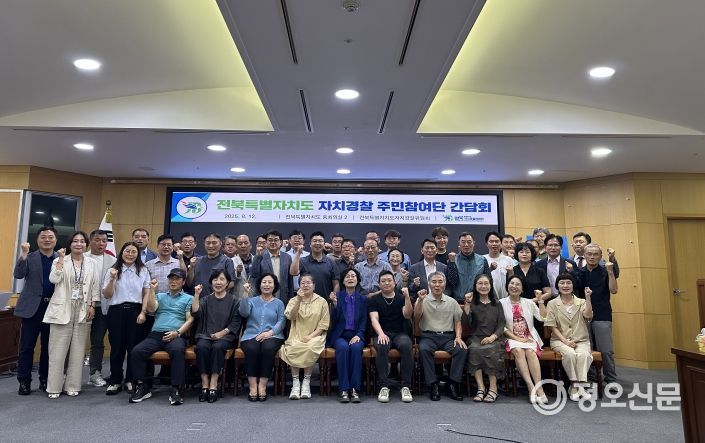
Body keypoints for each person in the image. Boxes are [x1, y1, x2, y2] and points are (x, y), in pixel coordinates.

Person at [43, 231, 101, 398]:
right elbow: (54, 279)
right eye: (75, 241)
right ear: (70, 244)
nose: (79, 244)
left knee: (78, 351)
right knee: (57, 352)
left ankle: (72, 385)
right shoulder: (60, 260)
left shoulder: (91, 263)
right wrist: (61, 259)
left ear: (86, 245)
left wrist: (93, 305)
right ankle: (54, 387)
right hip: (62, 308)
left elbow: (95, 285)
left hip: (83, 308)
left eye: (82, 241)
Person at [128, 268, 193, 405]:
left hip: (175, 334)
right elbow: (151, 309)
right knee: (137, 351)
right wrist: (152, 290)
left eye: (177, 279)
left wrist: (178, 333)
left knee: (177, 351)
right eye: (171, 279)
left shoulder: (189, 298)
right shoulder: (160, 296)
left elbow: (190, 320)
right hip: (156, 334)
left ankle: (175, 389)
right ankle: (143, 386)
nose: (173, 281)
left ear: (183, 282)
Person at [13, 226, 58, 395]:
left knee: (48, 347)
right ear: (37, 240)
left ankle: (45, 379)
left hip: (53, 309)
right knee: (27, 347)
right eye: (43, 237)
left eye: (50, 237)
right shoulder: (30, 257)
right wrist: (23, 254)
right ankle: (24, 381)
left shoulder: (61, 259)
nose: (47, 240)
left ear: (55, 240)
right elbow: (18, 274)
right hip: (33, 309)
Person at [102, 241, 151, 395]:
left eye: (133, 252)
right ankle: (115, 380)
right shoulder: (112, 270)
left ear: (138, 254)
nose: (130, 254)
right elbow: (107, 295)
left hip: (136, 311)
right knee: (117, 347)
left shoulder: (143, 270)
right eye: (127, 251)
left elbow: (146, 293)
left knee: (133, 347)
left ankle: (131, 379)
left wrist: (143, 312)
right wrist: (112, 279)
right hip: (116, 311)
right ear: (121, 253)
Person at [414, 272, 467, 401]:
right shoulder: (422, 299)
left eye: (440, 282)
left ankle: (452, 383)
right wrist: (420, 300)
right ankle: (433, 384)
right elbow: (416, 316)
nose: (437, 285)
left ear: (445, 284)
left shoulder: (452, 301)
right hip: (428, 336)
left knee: (461, 349)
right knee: (424, 349)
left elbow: (458, 322)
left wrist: (458, 337)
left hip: (448, 337)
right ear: (429, 284)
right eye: (434, 282)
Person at [192, 270, 242, 403]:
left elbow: (236, 322)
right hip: (205, 335)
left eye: (221, 279)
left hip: (226, 336)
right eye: (215, 280)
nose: (218, 282)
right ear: (211, 283)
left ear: (227, 283)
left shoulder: (234, 300)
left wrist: (222, 333)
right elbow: (196, 313)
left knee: (218, 347)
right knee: (202, 347)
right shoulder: (205, 299)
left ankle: (213, 382)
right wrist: (196, 295)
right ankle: (205, 383)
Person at [545, 273, 594, 401]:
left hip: (581, 340)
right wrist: (565, 341)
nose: (565, 285)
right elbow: (552, 326)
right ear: (557, 286)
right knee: (570, 354)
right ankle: (575, 385)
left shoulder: (581, 302)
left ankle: (577, 387)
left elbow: (588, 316)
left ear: (573, 285)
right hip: (559, 340)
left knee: (584, 355)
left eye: (568, 283)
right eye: (562, 283)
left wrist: (588, 298)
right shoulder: (552, 303)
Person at [280, 274, 330, 400]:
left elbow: (324, 324)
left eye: (308, 283)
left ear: (314, 286)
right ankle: (296, 383)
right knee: (293, 348)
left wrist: (311, 336)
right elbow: (290, 316)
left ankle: (306, 382)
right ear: (299, 286)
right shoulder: (293, 300)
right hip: (296, 334)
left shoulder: (322, 301)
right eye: (303, 283)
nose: (305, 285)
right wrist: (298, 300)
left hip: (316, 335)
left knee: (310, 347)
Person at [500, 275, 547, 404]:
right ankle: (530, 386)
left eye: (518, 284)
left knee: (531, 353)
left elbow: (543, 318)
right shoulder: (501, 303)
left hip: (529, 337)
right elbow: (501, 326)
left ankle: (539, 388)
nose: (514, 286)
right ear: (507, 286)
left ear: (522, 288)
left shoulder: (529, 302)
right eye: (512, 283)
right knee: (518, 351)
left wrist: (540, 301)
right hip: (511, 337)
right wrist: (516, 338)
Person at [575, 243, 619, 384]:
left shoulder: (606, 270)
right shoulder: (579, 272)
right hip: (582, 314)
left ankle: (611, 378)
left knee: (605, 350)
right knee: (587, 348)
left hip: (602, 313)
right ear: (584, 255)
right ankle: (592, 377)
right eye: (589, 254)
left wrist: (610, 272)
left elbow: (614, 290)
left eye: (595, 254)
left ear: (600, 256)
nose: (592, 257)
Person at [368, 270, 414, 403]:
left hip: (400, 333)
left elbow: (407, 315)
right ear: (379, 284)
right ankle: (384, 386)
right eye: (383, 281)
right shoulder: (374, 299)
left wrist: (407, 297)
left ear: (395, 283)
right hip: (382, 332)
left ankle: (405, 386)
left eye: (389, 280)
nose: (387, 283)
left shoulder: (401, 298)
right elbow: (374, 319)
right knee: (382, 345)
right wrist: (381, 333)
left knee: (406, 345)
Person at [240, 274, 286, 402]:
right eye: (264, 282)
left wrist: (270, 333)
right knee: (252, 348)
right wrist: (245, 294)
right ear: (259, 285)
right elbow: (244, 313)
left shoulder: (279, 303)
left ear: (274, 286)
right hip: (251, 334)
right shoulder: (252, 300)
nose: (267, 285)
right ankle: (253, 386)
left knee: (268, 348)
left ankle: (262, 385)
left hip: (273, 335)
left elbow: (282, 321)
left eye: (270, 282)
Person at [463, 274, 505, 403]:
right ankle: (481, 388)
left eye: (486, 283)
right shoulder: (472, 303)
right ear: (475, 286)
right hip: (475, 337)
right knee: (475, 350)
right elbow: (466, 322)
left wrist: (492, 337)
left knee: (490, 349)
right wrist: (467, 304)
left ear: (491, 285)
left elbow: (502, 324)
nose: (483, 286)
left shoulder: (497, 303)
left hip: (494, 338)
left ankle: (493, 388)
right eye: (480, 283)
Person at [328, 268, 368, 403]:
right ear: (343, 281)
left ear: (357, 280)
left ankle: (355, 388)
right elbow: (333, 320)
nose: (350, 278)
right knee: (343, 348)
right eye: (347, 276)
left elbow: (364, 321)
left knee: (356, 348)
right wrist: (334, 304)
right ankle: (344, 388)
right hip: (340, 335)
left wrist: (359, 335)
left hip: (356, 334)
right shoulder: (337, 296)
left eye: (353, 276)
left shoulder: (363, 299)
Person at [84, 229, 117, 387]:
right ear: (90, 241)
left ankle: (96, 373)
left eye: (104, 240)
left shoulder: (113, 260)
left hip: (105, 306)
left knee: (99, 341)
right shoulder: (82, 257)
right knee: (77, 341)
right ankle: (68, 373)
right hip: (84, 305)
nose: (101, 243)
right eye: (97, 240)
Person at [291, 231, 339, 302]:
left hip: (326, 302)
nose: (317, 243)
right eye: (315, 241)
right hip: (305, 302)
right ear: (310, 244)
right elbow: (293, 272)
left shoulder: (331, 262)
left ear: (324, 244)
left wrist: (334, 298)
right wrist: (298, 253)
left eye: (320, 241)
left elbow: (336, 283)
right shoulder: (303, 261)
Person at [250, 230, 295, 305]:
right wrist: (257, 256)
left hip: (283, 296)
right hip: (264, 297)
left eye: (276, 240)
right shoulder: (259, 256)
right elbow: (254, 275)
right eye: (270, 240)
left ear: (280, 242)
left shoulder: (287, 257)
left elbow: (290, 280)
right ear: (266, 242)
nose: (273, 242)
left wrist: (291, 298)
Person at [447, 232, 490, 301]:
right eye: (463, 242)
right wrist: (452, 263)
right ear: (459, 243)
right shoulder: (453, 260)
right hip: (458, 301)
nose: (466, 245)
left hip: (477, 301)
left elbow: (489, 281)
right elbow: (452, 282)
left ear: (474, 243)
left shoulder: (482, 260)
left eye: (469, 242)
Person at [536, 234, 577, 299]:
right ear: (545, 247)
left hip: (564, 298)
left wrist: (571, 271)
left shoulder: (570, 263)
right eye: (550, 245)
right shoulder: (539, 264)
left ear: (561, 247)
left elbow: (577, 283)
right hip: (545, 299)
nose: (553, 248)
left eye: (556, 245)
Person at [483, 231, 515, 299]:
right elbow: (479, 279)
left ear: (501, 244)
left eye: (497, 241)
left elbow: (514, 279)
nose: (494, 244)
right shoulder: (482, 259)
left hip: (506, 298)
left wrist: (511, 272)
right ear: (486, 244)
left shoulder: (508, 260)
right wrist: (489, 270)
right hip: (487, 299)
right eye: (491, 241)